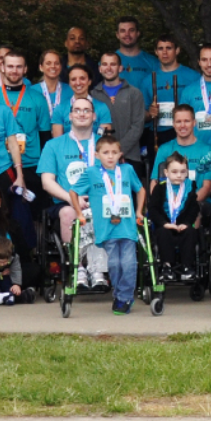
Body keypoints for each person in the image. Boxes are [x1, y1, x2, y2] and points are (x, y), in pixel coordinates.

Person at [70, 135, 146, 315]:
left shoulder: (127, 170)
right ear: (97, 155)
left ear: (120, 154)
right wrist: (79, 213)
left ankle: (124, 297)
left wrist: (139, 211)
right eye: (105, 153)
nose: (110, 156)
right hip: (106, 228)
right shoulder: (91, 173)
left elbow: (140, 189)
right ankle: (119, 294)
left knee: (128, 263)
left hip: (126, 227)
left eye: (114, 152)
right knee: (114, 264)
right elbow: (73, 191)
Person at [38, 98, 109, 291]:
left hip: (100, 200)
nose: (82, 114)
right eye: (77, 110)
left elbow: (116, 176)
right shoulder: (53, 145)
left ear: (94, 116)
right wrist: (72, 198)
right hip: (66, 201)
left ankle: (98, 270)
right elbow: (47, 182)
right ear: (69, 116)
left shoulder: (105, 145)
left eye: (86, 110)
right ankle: (78, 268)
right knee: (69, 213)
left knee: (101, 212)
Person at [0, 50, 49, 209]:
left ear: (25, 69)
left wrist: (45, 167)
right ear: (2, 67)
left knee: (31, 214)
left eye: (18, 67)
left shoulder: (37, 98)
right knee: (1, 212)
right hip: (0, 165)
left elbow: (45, 136)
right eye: (10, 66)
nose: (14, 70)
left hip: (31, 164)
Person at [150, 105, 211, 220]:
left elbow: (207, 188)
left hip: (197, 203)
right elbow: (154, 182)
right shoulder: (164, 149)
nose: (182, 125)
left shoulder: (207, 150)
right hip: (167, 205)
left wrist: (185, 206)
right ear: (173, 124)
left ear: (194, 123)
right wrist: (160, 203)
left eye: (187, 121)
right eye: (178, 121)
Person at [89, 52, 146, 179]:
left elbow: (137, 126)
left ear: (120, 68)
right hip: (100, 158)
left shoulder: (134, 93)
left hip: (129, 156)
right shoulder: (93, 95)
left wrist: (118, 151)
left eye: (113, 64)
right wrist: (108, 152)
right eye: (105, 64)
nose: (108, 68)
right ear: (100, 68)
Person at [140, 34, 201, 149]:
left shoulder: (193, 77)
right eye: (160, 48)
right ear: (156, 52)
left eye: (169, 48)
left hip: (185, 132)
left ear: (177, 50)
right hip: (158, 134)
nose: (164, 52)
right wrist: (150, 113)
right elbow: (141, 114)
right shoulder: (148, 81)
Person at [148, 152, 200, 282]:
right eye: (174, 172)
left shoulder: (190, 187)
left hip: (182, 225)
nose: (179, 175)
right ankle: (167, 266)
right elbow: (153, 209)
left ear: (187, 172)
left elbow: (194, 209)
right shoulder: (160, 188)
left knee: (191, 232)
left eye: (183, 172)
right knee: (163, 233)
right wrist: (164, 223)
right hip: (165, 225)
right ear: (166, 172)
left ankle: (187, 267)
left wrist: (186, 223)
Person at [0, 182, 39, 292]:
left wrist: (10, 270)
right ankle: (10, 295)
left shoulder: (12, 226)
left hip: (9, 273)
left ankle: (1, 293)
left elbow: (24, 256)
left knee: (34, 269)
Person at [0, 73, 26, 199]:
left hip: (2, 170)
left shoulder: (3, 111)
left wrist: (20, 176)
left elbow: (13, 145)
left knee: (5, 209)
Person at [52, 64, 113, 137]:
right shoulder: (60, 109)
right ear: (69, 83)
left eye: (82, 78)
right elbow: (58, 141)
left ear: (89, 81)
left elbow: (104, 139)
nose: (78, 83)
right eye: (73, 79)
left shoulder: (102, 108)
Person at [0, 237, 34, 305]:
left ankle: (10, 295)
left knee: (9, 282)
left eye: (4, 262)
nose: (1, 264)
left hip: (5, 277)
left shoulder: (14, 257)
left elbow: (16, 270)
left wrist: (16, 284)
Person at [115, 16, 159, 89]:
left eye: (131, 30)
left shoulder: (153, 62)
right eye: (123, 31)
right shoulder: (106, 62)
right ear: (117, 35)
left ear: (138, 33)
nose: (127, 34)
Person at [36, 50, 74, 120]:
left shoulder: (70, 90)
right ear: (41, 67)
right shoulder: (32, 91)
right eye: (48, 63)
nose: (53, 66)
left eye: (56, 63)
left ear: (61, 67)